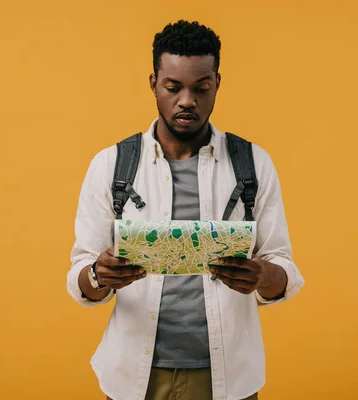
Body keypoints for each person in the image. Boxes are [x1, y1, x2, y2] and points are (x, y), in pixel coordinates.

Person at [67, 20, 304, 400]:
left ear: (217, 83)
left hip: (229, 380)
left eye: (201, 88)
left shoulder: (253, 163)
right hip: (133, 377)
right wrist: (100, 274)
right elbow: (80, 277)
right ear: (153, 84)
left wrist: (262, 275)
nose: (187, 101)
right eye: (173, 87)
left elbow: (283, 270)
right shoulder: (111, 165)